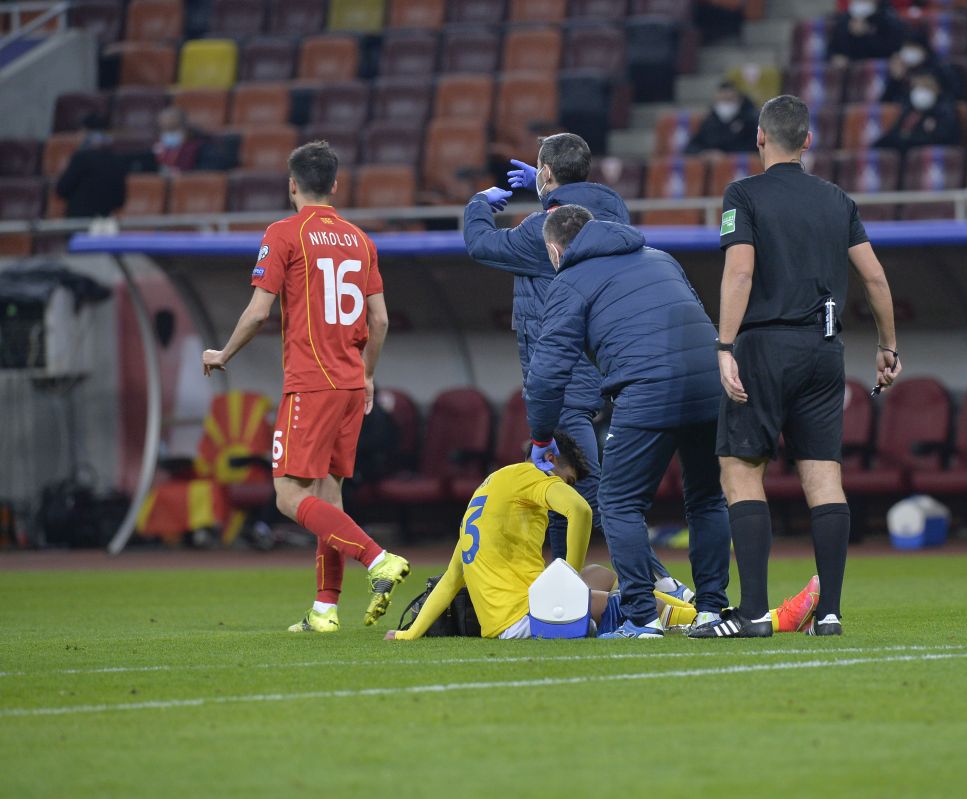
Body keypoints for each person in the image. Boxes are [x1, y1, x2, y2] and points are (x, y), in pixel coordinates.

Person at [700, 95, 901, 639]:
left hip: (764, 347)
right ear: (807, 141)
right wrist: (888, 346)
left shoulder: (743, 194)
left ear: (760, 138)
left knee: (741, 470)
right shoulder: (838, 200)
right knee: (824, 477)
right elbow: (875, 277)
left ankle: (753, 613)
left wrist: (724, 346)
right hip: (824, 351)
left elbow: (740, 274)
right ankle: (829, 612)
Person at [462, 132, 692, 602]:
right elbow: (572, 209)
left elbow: (481, 244)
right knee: (563, 487)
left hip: (562, 372)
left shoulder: (540, 231)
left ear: (546, 172)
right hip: (600, 361)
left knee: (592, 488)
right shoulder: (611, 210)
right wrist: (551, 190)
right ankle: (557, 586)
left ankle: (660, 582)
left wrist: (478, 203)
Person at [201, 140, 410, 633]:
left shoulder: (284, 233)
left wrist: (223, 354)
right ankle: (324, 610)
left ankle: (377, 559)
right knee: (329, 496)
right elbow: (379, 320)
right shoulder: (360, 239)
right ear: (335, 185)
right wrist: (367, 375)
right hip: (350, 383)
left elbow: (259, 312)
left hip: (311, 383)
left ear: (291, 185)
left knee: (288, 496)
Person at [387, 433, 821, 641]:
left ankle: (682, 610)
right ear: (550, 460)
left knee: (604, 573)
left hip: (513, 612)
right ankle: (773, 618)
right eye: (567, 478)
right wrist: (566, 574)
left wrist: (409, 635)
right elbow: (579, 510)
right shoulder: (531, 476)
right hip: (526, 617)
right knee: (638, 603)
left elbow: (451, 579)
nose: (564, 488)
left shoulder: (490, 490)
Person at [524, 205, 732, 640]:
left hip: (648, 388)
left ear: (554, 250)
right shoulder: (659, 257)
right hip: (712, 383)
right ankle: (711, 610)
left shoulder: (570, 280)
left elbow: (546, 372)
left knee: (618, 502)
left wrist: (541, 436)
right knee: (707, 498)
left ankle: (642, 617)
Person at [54, 113, 127, 225]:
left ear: (85, 133)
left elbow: (62, 189)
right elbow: (119, 200)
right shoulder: (117, 160)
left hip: (78, 224)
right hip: (104, 224)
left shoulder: (81, 158)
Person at [873, 67, 962, 153]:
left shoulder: (945, 110)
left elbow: (947, 139)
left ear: (938, 88)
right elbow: (893, 136)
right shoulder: (908, 109)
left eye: (926, 86)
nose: (921, 91)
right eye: (917, 86)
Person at [880, 32, 961, 104]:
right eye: (907, 47)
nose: (909, 51)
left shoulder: (941, 69)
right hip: (908, 112)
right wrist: (895, 80)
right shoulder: (901, 72)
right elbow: (884, 104)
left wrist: (936, 90)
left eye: (913, 47)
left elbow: (957, 97)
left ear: (924, 49)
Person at [686, 82, 760, 154]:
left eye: (729, 99)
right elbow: (692, 147)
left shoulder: (750, 121)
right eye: (722, 100)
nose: (726, 104)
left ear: (739, 100)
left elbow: (756, 147)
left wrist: (725, 155)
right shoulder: (709, 122)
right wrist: (705, 153)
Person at [828, 0, 908, 65]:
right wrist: (836, 57)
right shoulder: (845, 20)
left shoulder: (888, 18)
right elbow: (832, 48)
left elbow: (892, 50)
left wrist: (867, 33)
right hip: (850, 70)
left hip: (879, 70)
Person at [153, 106, 204, 174]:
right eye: (166, 130)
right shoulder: (156, 148)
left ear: (184, 127)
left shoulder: (199, 148)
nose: (169, 134)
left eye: (173, 129)